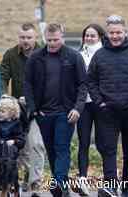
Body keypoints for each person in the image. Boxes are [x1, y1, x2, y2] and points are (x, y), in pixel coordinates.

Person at [87, 15, 128, 197]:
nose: (115, 36)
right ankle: (110, 187)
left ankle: (127, 189)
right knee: (108, 149)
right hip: (107, 111)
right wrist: (99, 102)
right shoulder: (99, 55)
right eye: (111, 33)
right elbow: (91, 81)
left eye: (118, 32)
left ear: (125, 32)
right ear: (106, 34)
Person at [24, 23, 87, 197]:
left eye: (56, 40)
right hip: (43, 113)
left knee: (62, 147)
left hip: (66, 112)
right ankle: (61, 187)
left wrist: (77, 108)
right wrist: (34, 109)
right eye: (49, 40)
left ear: (63, 37)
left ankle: (58, 183)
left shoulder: (74, 57)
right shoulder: (36, 58)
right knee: (51, 150)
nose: (52, 43)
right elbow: (27, 84)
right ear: (45, 38)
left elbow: (83, 85)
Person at [0, 22, 45, 191]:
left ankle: (36, 183)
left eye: (29, 37)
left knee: (37, 144)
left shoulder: (44, 54)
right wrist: (5, 97)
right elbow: (2, 77)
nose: (25, 41)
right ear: (18, 37)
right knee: (22, 146)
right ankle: (26, 174)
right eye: (22, 37)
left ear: (35, 38)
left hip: (39, 107)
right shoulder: (11, 55)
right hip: (18, 107)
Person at [75, 24, 105, 196]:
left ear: (100, 36)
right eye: (87, 35)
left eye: (93, 35)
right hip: (83, 104)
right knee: (83, 142)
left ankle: (107, 179)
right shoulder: (79, 54)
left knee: (103, 143)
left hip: (101, 103)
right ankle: (83, 180)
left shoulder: (104, 54)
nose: (89, 38)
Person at [0, 95, 26, 197]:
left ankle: (9, 186)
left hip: (10, 152)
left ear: (11, 113)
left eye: (3, 112)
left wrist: (14, 141)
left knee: (10, 162)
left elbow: (21, 140)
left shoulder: (17, 124)